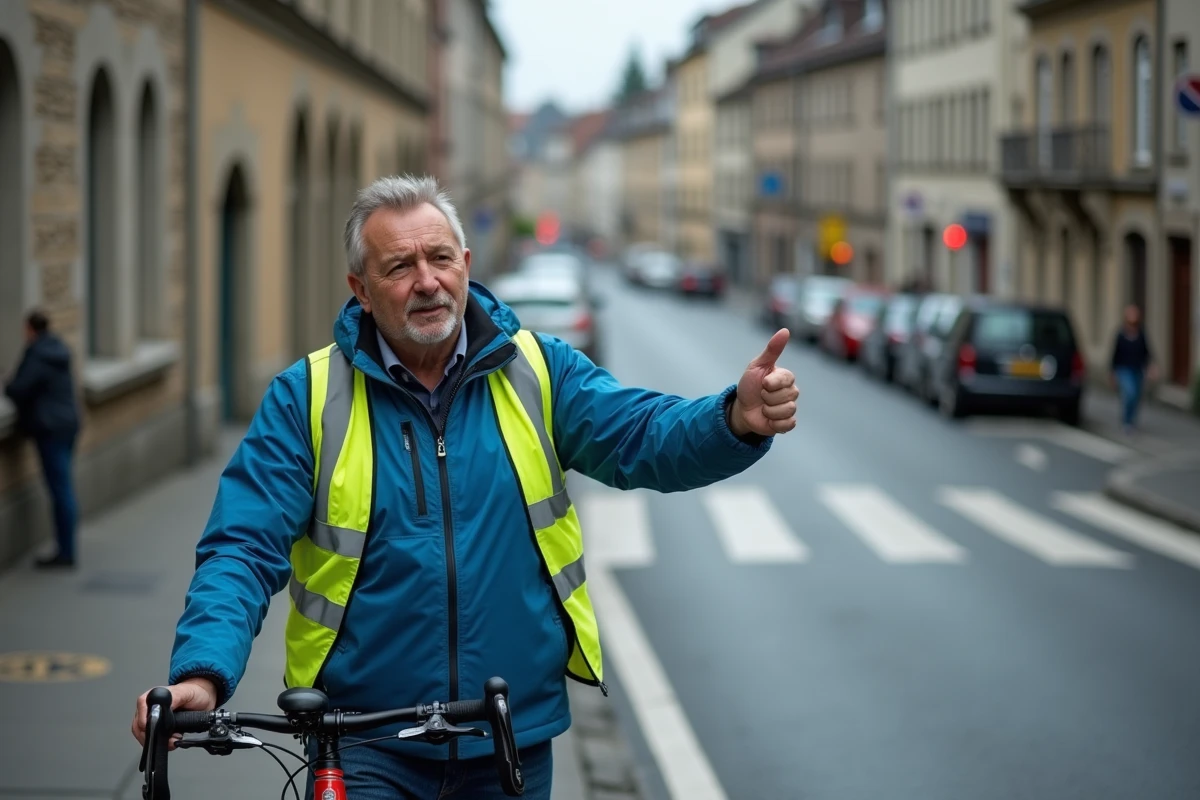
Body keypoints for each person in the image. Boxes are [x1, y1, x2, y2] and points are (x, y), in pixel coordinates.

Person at [130, 175, 800, 798]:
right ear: (360, 289)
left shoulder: (536, 371)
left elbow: (645, 437)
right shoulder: (306, 397)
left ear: (467, 265)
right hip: (361, 741)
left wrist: (732, 420)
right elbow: (241, 546)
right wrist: (203, 671)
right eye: (399, 267)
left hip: (507, 731)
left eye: (441, 259)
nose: (428, 282)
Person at [4, 309, 82, 569]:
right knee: (64, 487)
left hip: (50, 429)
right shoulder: (58, 349)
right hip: (68, 424)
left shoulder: (37, 354)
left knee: (60, 489)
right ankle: (67, 547)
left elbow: (19, 389)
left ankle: (66, 552)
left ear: (30, 329)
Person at [1109, 304, 1157, 433]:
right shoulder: (1121, 334)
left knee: (1136, 396)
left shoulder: (1141, 333)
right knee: (1129, 393)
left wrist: (1151, 367)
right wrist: (1112, 373)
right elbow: (1115, 355)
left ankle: (1132, 420)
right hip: (1124, 369)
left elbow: (1147, 351)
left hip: (1138, 369)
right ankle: (1126, 421)